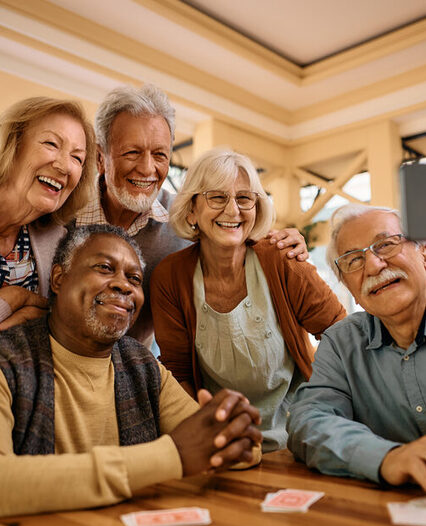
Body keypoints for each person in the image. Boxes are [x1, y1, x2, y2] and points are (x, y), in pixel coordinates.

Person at [0, 224, 262, 517]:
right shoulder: (7, 360)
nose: (123, 285)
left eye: (134, 278)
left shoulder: (143, 365)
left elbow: (227, 450)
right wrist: (170, 457)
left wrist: (237, 430)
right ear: (59, 279)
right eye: (104, 267)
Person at [75, 84, 309, 346]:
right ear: (99, 157)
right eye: (132, 152)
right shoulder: (63, 214)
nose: (147, 168)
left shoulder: (187, 216)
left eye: (160, 155)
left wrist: (285, 243)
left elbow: (237, 233)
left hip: (137, 369)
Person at [150, 148, 346, 452]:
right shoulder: (170, 277)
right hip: (224, 441)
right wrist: (208, 434)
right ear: (191, 210)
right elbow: (179, 373)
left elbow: (340, 334)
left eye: (244, 198)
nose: (233, 211)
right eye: (217, 197)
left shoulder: (281, 257)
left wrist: (317, 406)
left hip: (301, 436)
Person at [287, 204, 426, 490]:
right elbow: (308, 421)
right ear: (349, 288)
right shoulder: (342, 342)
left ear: (423, 251)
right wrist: (387, 458)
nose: (374, 265)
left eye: (386, 244)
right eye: (353, 261)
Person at [0, 96, 96, 330]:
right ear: (14, 144)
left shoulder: (58, 242)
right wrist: (15, 299)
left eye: (77, 158)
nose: (64, 166)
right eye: (51, 144)